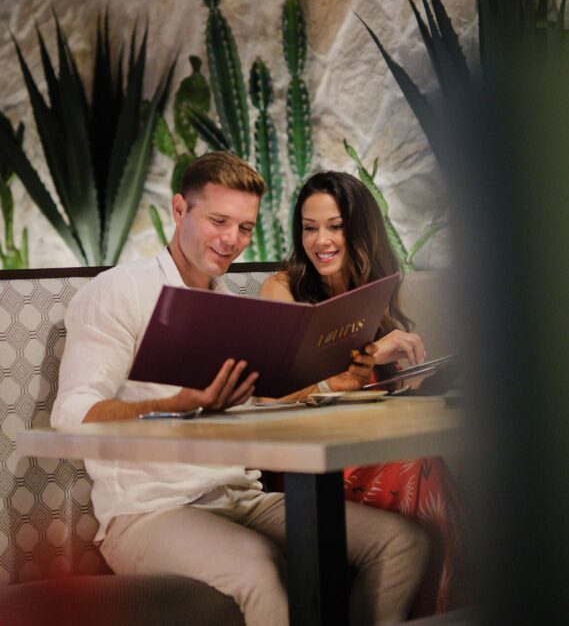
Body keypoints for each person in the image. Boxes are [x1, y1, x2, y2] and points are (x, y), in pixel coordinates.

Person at [51, 151, 429, 626]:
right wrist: (176, 405)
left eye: (245, 228)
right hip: (148, 513)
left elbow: (261, 401)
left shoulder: (230, 303)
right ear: (179, 210)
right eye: (218, 221)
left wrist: (334, 380)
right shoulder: (118, 291)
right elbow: (70, 415)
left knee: (402, 543)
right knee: (260, 568)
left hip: (238, 497)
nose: (232, 240)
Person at [260, 170, 470, 616]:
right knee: (420, 468)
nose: (321, 241)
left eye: (335, 226)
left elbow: (371, 391)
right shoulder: (283, 289)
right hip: (312, 464)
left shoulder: (373, 289)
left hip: (370, 448)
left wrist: (405, 380)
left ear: (360, 230)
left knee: (430, 464)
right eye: (310, 227)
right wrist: (373, 352)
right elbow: (278, 391)